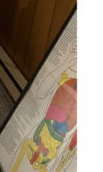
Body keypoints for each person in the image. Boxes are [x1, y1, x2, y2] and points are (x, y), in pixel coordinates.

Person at [11, 40, 79, 172]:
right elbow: (40, 91)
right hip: (48, 123)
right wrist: (66, 63)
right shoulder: (68, 81)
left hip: (56, 130)